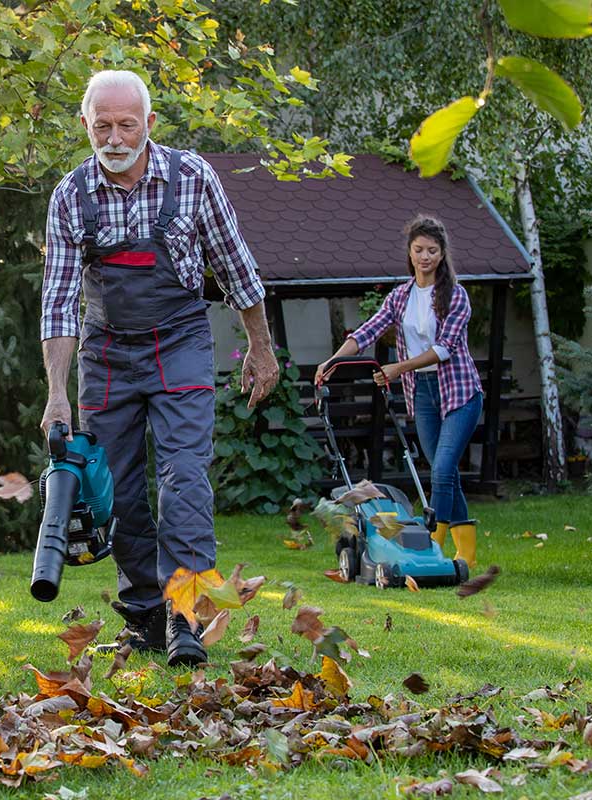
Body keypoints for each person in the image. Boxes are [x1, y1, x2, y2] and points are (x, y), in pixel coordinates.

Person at [40, 70, 278, 667]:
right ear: (86, 126)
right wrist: (57, 394)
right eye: (102, 126)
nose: (114, 137)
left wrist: (261, 347)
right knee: (115, 490)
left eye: (126, 125)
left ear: (149, 124)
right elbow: (60, 301)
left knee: (185, 478)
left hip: (179, 343)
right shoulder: (71, 196)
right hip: (107, 353)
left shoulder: (192, 179)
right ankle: (144, 614)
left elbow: (236, 269)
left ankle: (185, 616)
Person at [315, 215, 483, 567]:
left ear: (442, 254)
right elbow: (366, 333)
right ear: (410, 252)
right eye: (419, 250)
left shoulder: (456, 296)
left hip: (459, 393)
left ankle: (431, 548)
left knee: (440, 471)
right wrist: (331, 362)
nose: (425, 257)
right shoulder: (400, 296)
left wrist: (397, 367)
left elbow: (444, 349)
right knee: (445, 472)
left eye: (432, 251)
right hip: (421, 393)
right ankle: (465, 551)